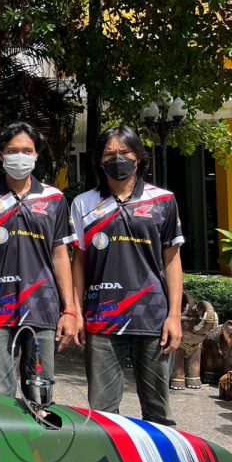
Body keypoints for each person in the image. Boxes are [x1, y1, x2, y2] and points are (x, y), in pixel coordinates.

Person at [70, 125, 183, 425]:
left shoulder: (163, 201)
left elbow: (172, 261)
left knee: (159, 413)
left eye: (124, 152)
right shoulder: (83, 204)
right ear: (99, 160)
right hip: (102, 318)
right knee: (102, 415)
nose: (117, 159)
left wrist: (174, 316)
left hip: (153, 319)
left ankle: (162, 457)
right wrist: (76, 312)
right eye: (109, 154)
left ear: (139, 158)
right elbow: (78, 262)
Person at [0, 122, 78, 397]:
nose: (20, 156)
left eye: (27, 150)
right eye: (13, 151)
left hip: (43, 308)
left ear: (37, 154)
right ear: (1, 154)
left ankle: (39, 426)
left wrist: (70, 310)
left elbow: (61, 255)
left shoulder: (54, 198)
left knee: (41, 394)